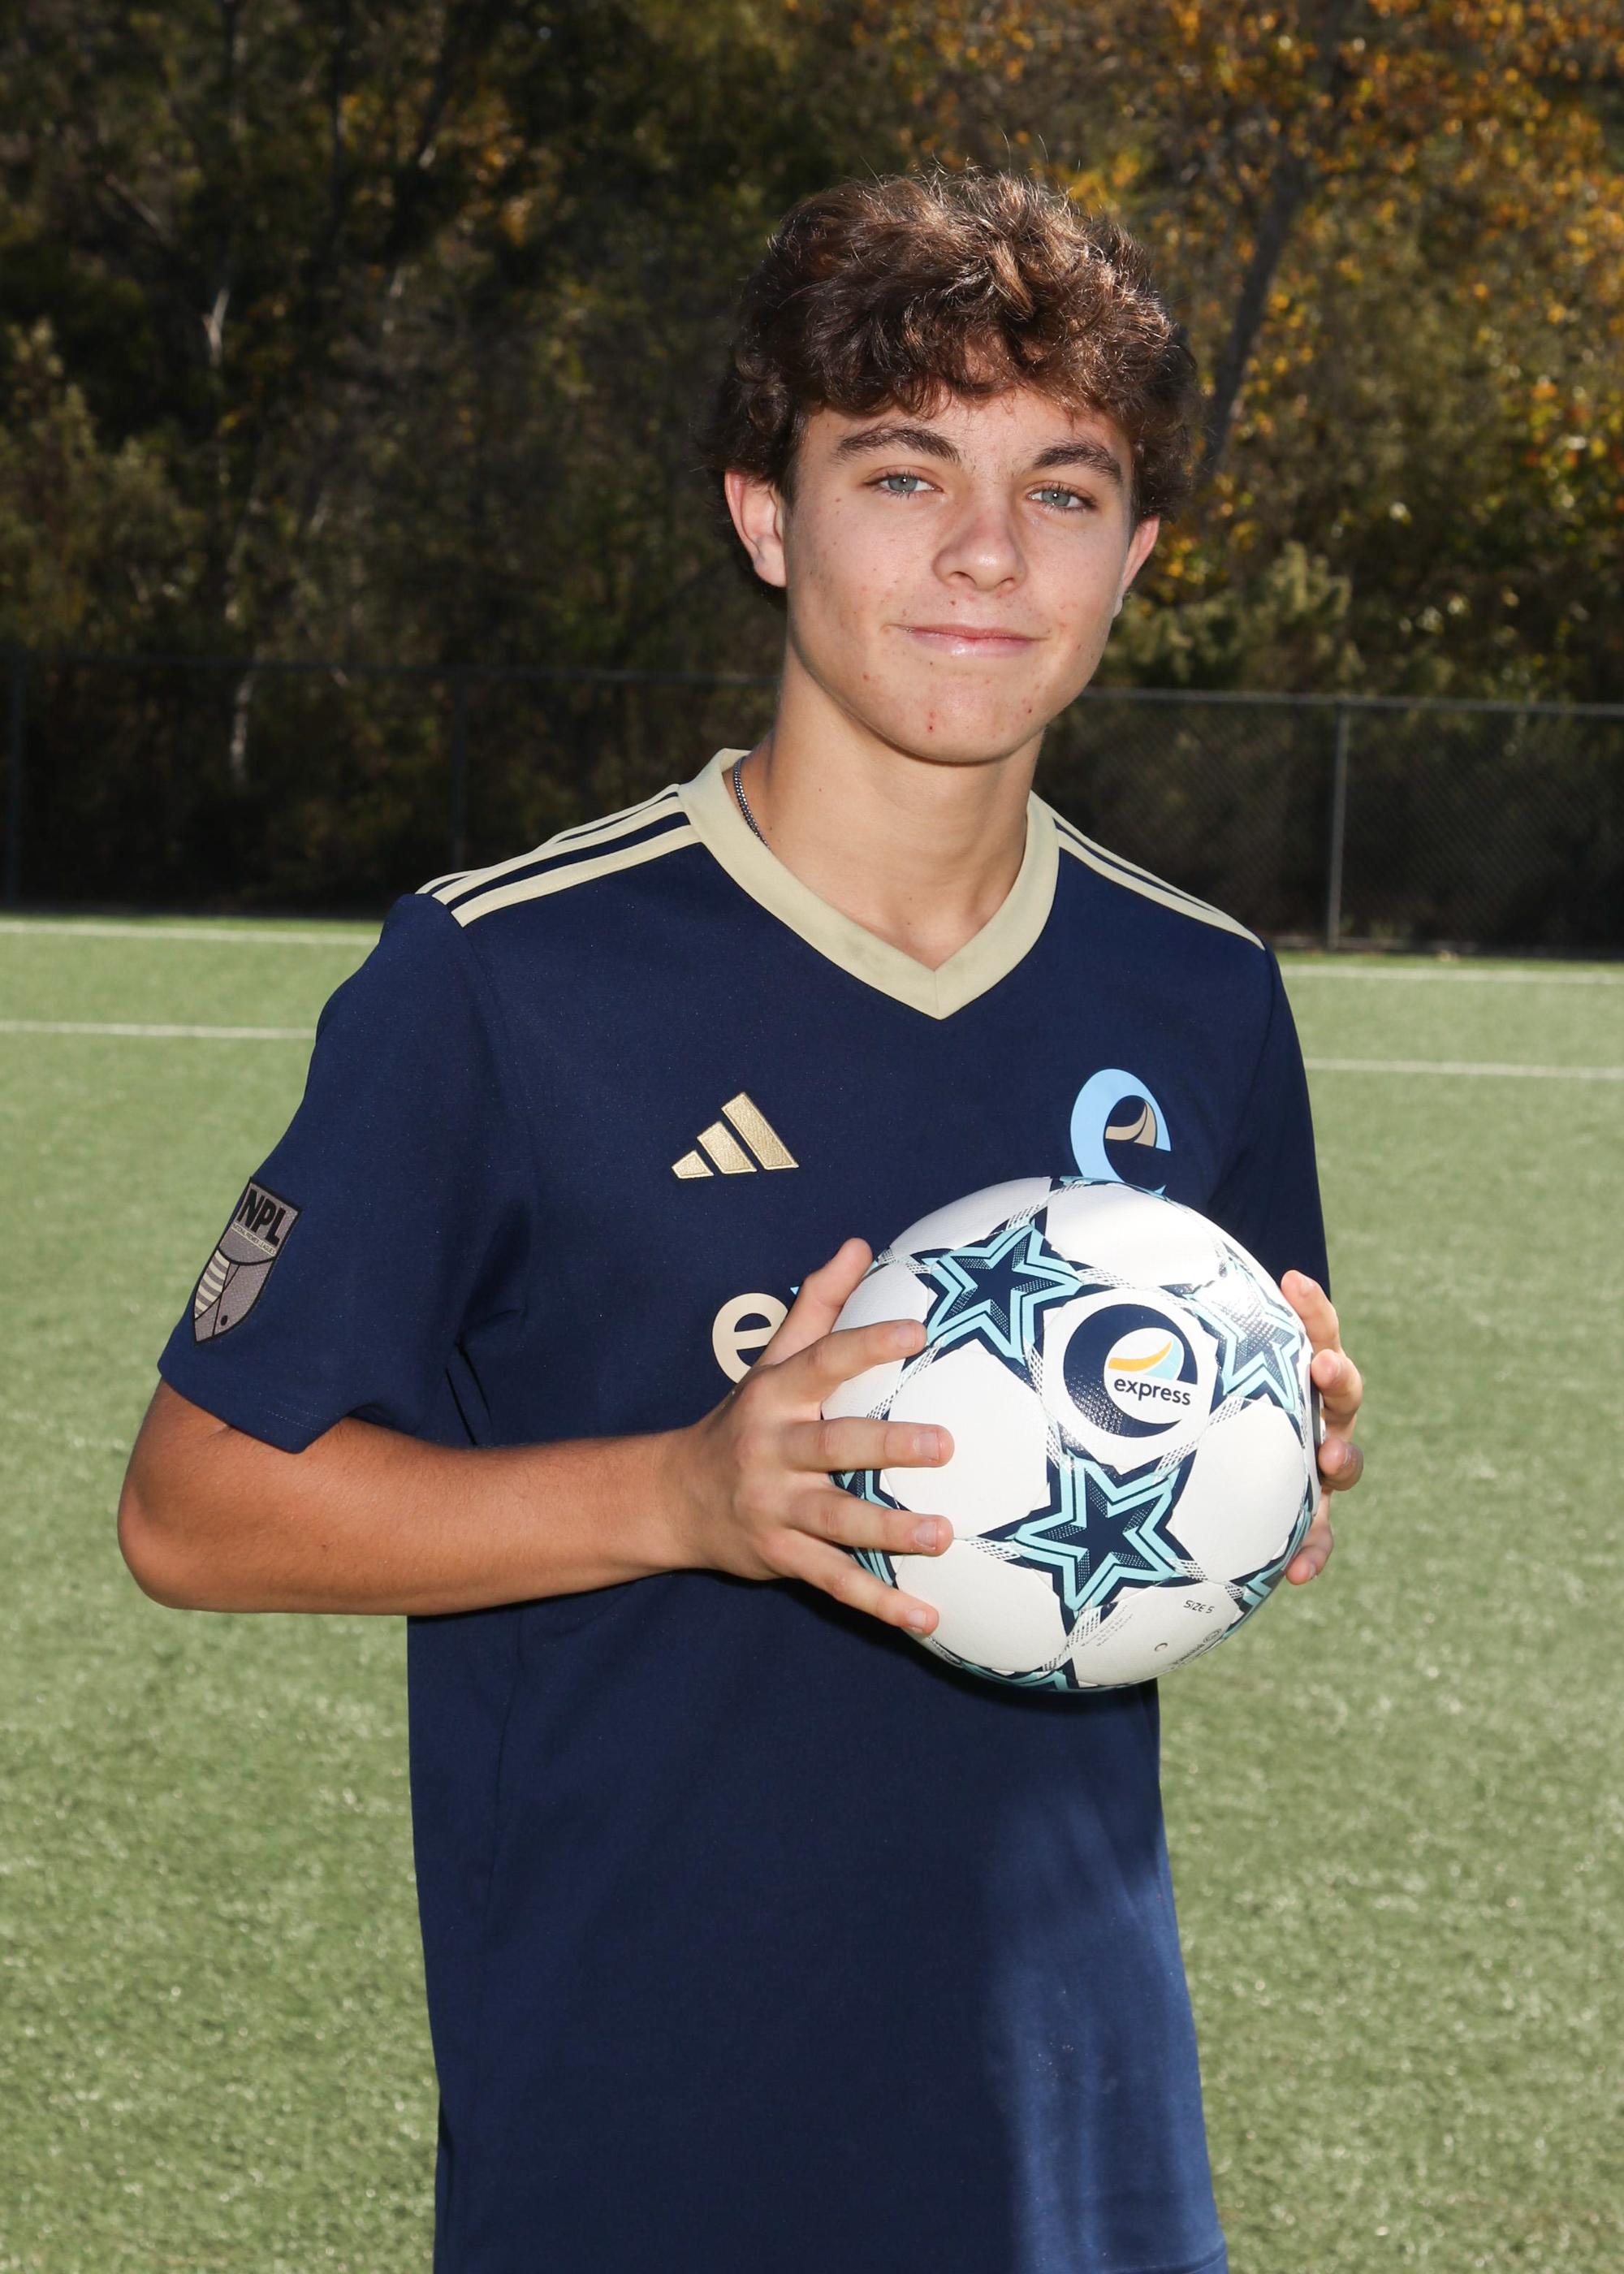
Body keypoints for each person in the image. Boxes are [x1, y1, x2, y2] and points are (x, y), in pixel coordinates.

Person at [119, 170, 1365, 2274]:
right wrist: (687, 1495)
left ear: (1138, 555)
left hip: (1085, 2162)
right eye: (906, 472)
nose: (989, 550)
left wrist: (1269, 1453)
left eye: (1064, 490)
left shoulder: (1202, 994)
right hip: (646, 2147)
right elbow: (193, 1508)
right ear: (766, 514)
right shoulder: (505, 979)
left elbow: (1153, 1505)